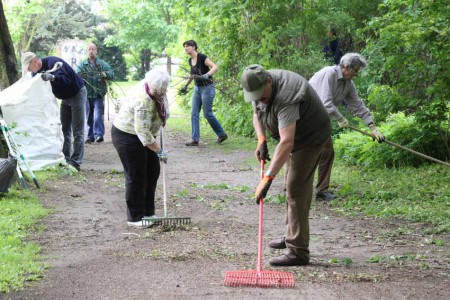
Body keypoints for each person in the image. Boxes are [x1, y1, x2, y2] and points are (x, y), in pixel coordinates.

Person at [241, 64, 331, 266]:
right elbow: (257, 114)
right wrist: (261, 138)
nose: (258, 99)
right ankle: (291, 235)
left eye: (261, 95)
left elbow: (287, 141)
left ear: (269, 81)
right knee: (290, 185)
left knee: (296, 189)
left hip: (310, 138)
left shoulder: (287, 95)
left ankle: (298, 251)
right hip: (293, 138)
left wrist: (268, 177)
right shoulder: (258, 87)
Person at [309, 53, 385, 201]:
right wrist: (340, 117)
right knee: (304, 153)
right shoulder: (329, 73)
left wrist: (372, 127)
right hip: (306, 115)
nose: (356, 75)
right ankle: (292, 188)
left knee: (327, 152)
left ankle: (321, 190)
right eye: (355, 71)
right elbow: (325, 102)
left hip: (320, 119)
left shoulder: (347, 84)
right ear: (346, 67)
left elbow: (357, 105)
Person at [111, 69, 170, 228]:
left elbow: (163, 106)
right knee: (136, 175)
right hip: (127, 135)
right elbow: (142, 131)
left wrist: (164, 117)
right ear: (151, 86)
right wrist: (159, 150)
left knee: (152, 172)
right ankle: (135, 218)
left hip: (146, 134)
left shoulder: (160, 90)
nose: (160, 94)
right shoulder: (142, 99)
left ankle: (148, 213)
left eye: (162, 92)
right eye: (157, 92)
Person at [21, 52, 87, 172]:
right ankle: (65, 159)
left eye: (29, 67)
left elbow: (66, 80)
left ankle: (76, 162)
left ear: (35, 61)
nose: (30, 70)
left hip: (76, 93)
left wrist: (52, 77)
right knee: (64, 129)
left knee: (77, 130)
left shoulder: (53, 62)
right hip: (64, 98)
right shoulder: (36, 72)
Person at [179, 40, 228, 146]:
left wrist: (207, 74)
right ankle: (195, 139)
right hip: (197, 88)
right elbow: (192, 75)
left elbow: (215, 67)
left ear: (193, 47)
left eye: (187, 46)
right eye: (184, 47)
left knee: (207, 114)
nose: (185, 48)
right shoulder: (190, 60)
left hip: (207, 88)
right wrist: (185, 86)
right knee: (194, 113)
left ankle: (222, 134)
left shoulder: (202, 57)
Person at [76, 43, 114, 144]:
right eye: (89, 49)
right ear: (86, 51)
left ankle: (99, 135)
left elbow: (111, 73)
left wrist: (104, 74)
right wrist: (80, 76)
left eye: (93, 49)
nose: (91, 51)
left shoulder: (102, 64)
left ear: (96, 51)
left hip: (99, 94)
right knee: (88, 116)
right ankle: (90, 136)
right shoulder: (82, 64)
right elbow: (77, 75)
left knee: (97, 116)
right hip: (87, 95)